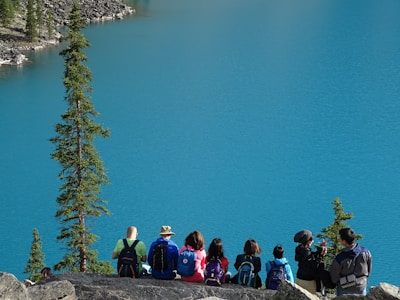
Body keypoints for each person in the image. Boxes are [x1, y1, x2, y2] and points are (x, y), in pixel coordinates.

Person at [330, 227, 372, 296]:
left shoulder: (340, 258)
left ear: (344, 241)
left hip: (344, 289)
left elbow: (334, 278)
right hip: (361, 287)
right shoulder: (366, 252)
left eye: (340, 238)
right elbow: (369, 269)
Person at [294, 229, 327, 294]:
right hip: (308, 282)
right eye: (311, 239)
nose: (313, 241)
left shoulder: (299, 249)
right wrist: (321, 256)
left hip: (299, 279)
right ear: (308, 241)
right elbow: (314, 266)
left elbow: (310, 256)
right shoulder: (307, 252)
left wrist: (320, 250)